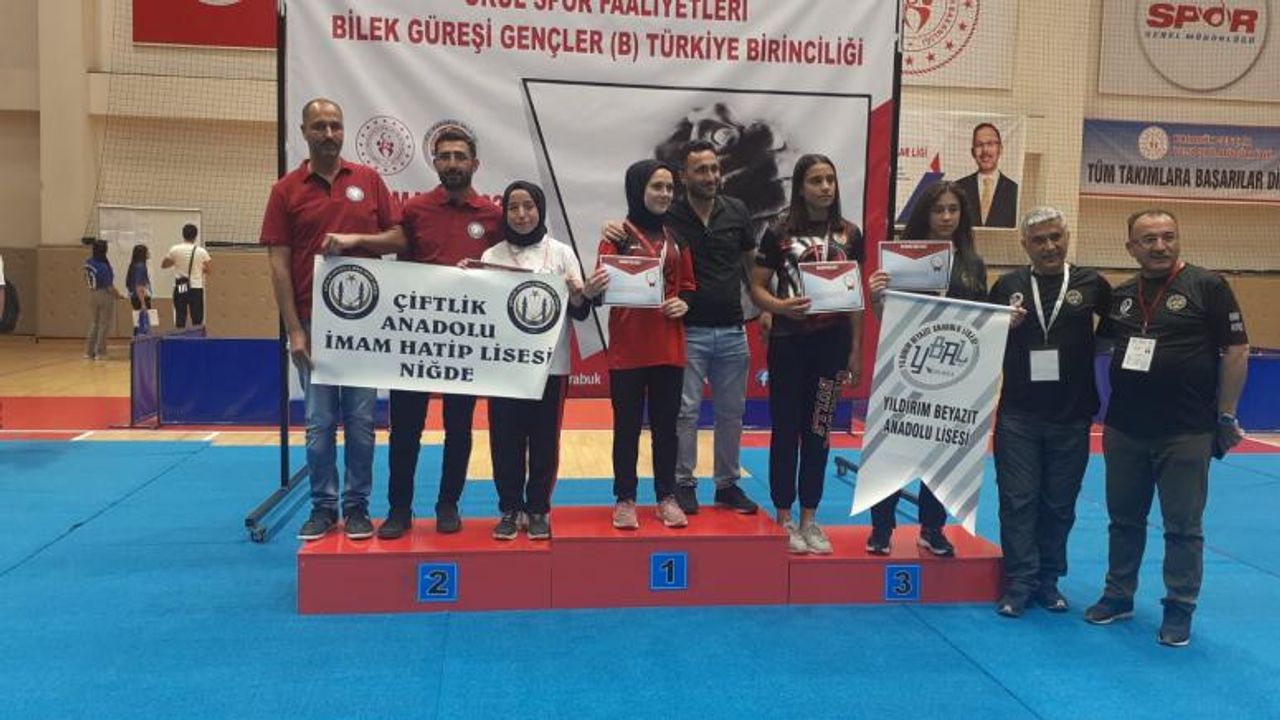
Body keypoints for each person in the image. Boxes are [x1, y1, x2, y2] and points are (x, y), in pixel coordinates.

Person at [325, 125, 501, 539]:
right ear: (435, 162)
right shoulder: (417, 210)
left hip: (465, 344)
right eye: (446, 156)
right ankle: (399, 509)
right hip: (415, 343)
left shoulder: (493, 217)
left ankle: (448, 504)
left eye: (460, 156)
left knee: (459, 428)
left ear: (475, 164)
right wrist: (351, 241)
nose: (453, 163)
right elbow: (392, 245)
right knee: (405, 430)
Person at [1085, 209, 1248, 647]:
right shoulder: (1122, 294)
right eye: (1149, 239)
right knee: (1123, 520)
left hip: (1186, 430)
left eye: (1168, 236)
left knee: (1182, 526)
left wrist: (1226, 415)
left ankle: (1179, 606)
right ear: (1130, 248)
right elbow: (1098, 346)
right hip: (1125, 428)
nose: (1160, 246)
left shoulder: (1208, 286)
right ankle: (1118, 594)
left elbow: (1236, 351)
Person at [260, 97, 400, 542]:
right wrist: (294, 330)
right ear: (303, 132)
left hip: (363, 325)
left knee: (361, 423)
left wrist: (357, 239)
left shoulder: (368, 180)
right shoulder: (285, 191)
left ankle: (357, 506)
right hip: (312, 323)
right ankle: (323, 507)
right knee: (319, 424)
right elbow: (278, 265)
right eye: (319, 126)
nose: (328, 133)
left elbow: (399, 238)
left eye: (335, 125)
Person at [609, 139, 761, 516]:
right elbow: (633, 230)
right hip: (686, 330)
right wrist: (610, 228)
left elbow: (752, 265)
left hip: (732, 327)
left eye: (714, 169)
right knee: (684, 414)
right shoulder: (669, 216)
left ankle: (727, 484)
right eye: (701, 170)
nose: (710, 176)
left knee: (732, 412)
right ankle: (681, 484)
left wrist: (765, 306)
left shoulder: (737, 210)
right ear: (685, 176)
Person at [987, 207, 1111, 617]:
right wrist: (1001, 325)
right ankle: (1019, 582)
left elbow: (1116, 331)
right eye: (1039, 240)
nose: (1049, 246)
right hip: (1018, 414)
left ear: (1067, 237)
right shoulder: (1008, 285)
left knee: (1059, 504)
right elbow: (982, 337)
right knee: (1017, 500)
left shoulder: (1091, 283)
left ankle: (1048, 581)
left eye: (1055, 237)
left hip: (1072, 415)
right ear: (1025, 244)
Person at [748, 154, 864, 555]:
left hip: (831, 347)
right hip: (788, 345)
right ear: (800, 187)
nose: (825, 187)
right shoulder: (778, 232)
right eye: (816, 180)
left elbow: (855, 296)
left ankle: (810, 519)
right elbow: (756, 287)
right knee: (785, 430)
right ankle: (784, 516)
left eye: (830, 179)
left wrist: (855, 350)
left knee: (819, 430)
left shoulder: (850, 234)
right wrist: (779, 307)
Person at [866, 179, 987, 557]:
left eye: (953, 209)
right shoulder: (903, 259)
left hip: (953, 370)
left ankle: (932, 529)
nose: (947, 216)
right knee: (893, 449)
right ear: (925, 214)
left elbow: (982, 319)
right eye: (939, 210)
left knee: (942, 451)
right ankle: (881, 529)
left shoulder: (973, 264)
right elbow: (884, 317)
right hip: (906, 366)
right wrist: (876, 296)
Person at [482, 180, 603, 541]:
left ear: (540, 210)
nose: (521, 215)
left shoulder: (562, 253)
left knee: (544, 441)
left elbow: (579, 311)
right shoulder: (490, 256)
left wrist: (582, 294)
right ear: (504, 212)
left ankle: (537, 509)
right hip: (504, 368)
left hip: (550, 367)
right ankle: (509, 508)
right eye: (513, 207)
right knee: (504, 441)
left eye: (529, 206)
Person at [600, 160, 695, 531]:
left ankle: (666, 497)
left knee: (666, 430)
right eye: (657, 186)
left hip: (669, 349)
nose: (665, 194)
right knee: (626, 429)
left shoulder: (677, 238)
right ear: (638, 189)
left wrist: (684, 303)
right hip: (627, 350)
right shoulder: (616, 236)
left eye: (670, 187)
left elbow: (688, 286)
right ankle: (625, 499)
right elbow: (601, 285)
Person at [955, 123, 1019, 228]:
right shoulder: (958, 188)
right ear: (973, 152)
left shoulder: (1015, 191)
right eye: (979, 145)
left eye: (990, 144)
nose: (985, 150)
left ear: (1000, 149)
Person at [162, 223, 211, 327]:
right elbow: (208, 270)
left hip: (182, 286)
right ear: (195, 236)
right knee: (197, 316)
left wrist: (176, 262)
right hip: (196, 287)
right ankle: (197, 335)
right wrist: (200, 268)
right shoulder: (202, 251)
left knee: (180, 312)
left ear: (183, 234)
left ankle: (180, 334)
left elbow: (164, 265)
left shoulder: (175, 249)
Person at [84, 239, 123, 360]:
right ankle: (100, 352)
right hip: (104, 294)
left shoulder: (88, 263)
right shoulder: (103, 266)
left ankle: (89, 351)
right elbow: (109, 287)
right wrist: (118, 295)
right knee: (104, 324)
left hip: (92, 293)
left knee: (94, 323)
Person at [126, 244, 154, 334]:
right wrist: (143, 303)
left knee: (138, 322)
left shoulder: (133, 265)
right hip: (141, 297)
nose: (148, 253)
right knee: (143, 323)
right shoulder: (141, 267)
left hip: (134, 297)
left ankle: (137, 338)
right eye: (147, 252)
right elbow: (139, 286)